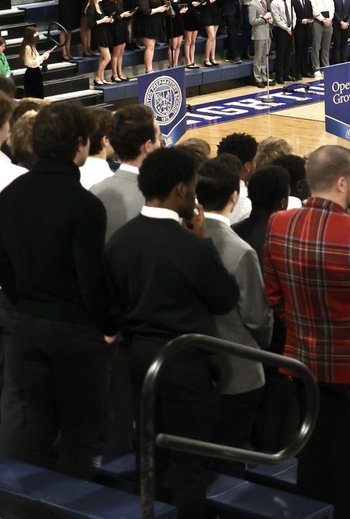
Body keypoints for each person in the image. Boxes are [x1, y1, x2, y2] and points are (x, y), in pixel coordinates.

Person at [263, 146, 350, 519]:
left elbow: (273, 297)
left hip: (302, 363)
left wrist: (303, 329)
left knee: (310, 454)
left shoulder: (278, 223)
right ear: (342, 183)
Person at [105, 148, 240, 519]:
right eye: (194, 187)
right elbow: (225, 298)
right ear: (181, 189)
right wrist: (204, 244)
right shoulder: (191, 246)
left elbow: (112, 304)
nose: (196, 195)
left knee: (149, 454)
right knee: (189, 462)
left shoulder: (121, 239)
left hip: (136, 361)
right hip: (184, 364)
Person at [0, 103, 113, 479]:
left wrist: (24, 306)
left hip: (26, 326)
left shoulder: (10, 196)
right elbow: (90, 280)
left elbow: (5, 269)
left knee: (36, 426)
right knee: (79, 435)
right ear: (80, 144)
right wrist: (107, 326)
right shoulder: (85, 205)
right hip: (74, 334)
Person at [196, 159, 273, 476]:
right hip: (238, 372)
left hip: (196, 368)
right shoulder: (240, 251)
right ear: (233, 198)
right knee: (230, 463)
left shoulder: (183, 237)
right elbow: (257, 318)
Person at [91, 104, 161, 241]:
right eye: (158, 138)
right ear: (147, 146)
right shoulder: (160, 197)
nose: (160, 144)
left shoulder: (95, 190)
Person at [248, 0, 273, 88]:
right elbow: (252, 21)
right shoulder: (252, 4)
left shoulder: (264, 1)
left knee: (265, 56)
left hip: (266, 32)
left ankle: (264, 76)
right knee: (258, 57)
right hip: (258, 33)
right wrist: (264, 18)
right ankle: (257, 78)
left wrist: (269, 19)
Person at [19, 27, 47, 100]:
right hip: (32, 74)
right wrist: (42, 58)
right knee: (34, 95)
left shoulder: (32, 46)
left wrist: (43, 56)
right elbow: (29, 63)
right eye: (35, 34)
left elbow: (36, 58)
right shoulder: (28, 47)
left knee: (39, 95)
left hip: (36, 72)